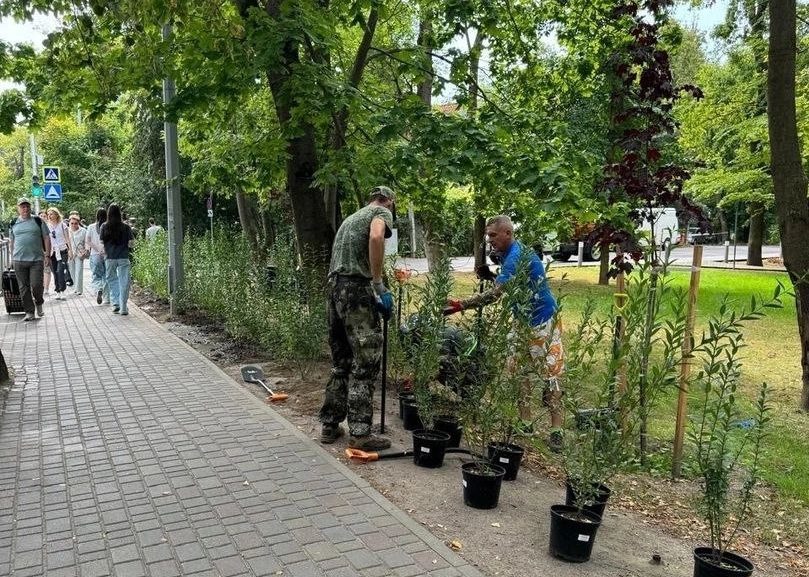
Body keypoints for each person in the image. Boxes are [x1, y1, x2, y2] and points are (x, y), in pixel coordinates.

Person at [445, 215, 565, 452]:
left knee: (552, 375)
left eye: (492, 235)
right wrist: (491, 276)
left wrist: (460, 305)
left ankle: (557, 431)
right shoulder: (508, 255)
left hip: (543, 321)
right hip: (521, 320)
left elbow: (494, 296)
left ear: (508, 234)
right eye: (488, 235)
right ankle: (525, 422)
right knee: (518, 372)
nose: (489, 241)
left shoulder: (516, 258)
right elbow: (510, 285)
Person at [318, 185, 396, 451]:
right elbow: (376, 237)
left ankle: (330, 425)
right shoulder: (381, 213)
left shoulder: (352, 218)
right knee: (366, 361)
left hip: (334, 290)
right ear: (389, 202)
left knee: (341, 362)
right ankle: (361, 434)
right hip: (356, 290)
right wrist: (378, 285)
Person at [9, 198, 52, 321]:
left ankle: (39, 302)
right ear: (18, 208)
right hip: (19, 260)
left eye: (27, 206)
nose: (25, 209)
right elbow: (12, 241)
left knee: (36, 285)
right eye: (22, 207)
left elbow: (46, 238)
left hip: (36, 259)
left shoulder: (38, 221)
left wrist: (47, 255)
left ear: (30, 207)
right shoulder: (13, 223)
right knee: (23, 288)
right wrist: (12, 257)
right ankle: (29, 312)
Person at [100, 203, 134, 315]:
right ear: (119, 213)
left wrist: (105, 252)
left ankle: (116, 303)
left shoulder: (104, 226)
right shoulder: (126, 227)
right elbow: (131, 244)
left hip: (110, 257)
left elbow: (101, 243)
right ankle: (123, 306)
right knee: (124, 281)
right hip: (123, 256)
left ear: (108, 213)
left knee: (112, 279)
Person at [46, 207, 74, 300]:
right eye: (48, 214)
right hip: (52, 251)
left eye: (51, 214)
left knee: (60, 270)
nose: (49, 216)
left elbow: (67, 238)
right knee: (55, 271)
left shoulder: (63, 225)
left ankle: (62, 290)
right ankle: (57, 290)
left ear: (56, 215)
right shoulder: (47, 226)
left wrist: (70, 250)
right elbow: (47, 240)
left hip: (62, 250)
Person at [86, 208, 109, 305]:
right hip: (107, 254)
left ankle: (99, 288)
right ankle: (107, 298)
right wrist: (103, 249)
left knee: (96, 275)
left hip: (95, 255)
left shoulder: (91, 227)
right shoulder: (108, 226)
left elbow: (88, 241)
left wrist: (97, 249)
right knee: (107, 276)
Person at [67, 214, 88, 295]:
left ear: (78, 223)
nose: (73, 225)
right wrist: (68, 251)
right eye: (72, 223)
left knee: (79, 271)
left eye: (75, 223)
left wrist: (85, 250)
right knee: (72, 270)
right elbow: (65, 242)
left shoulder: (83, 231)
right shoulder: (67, 231)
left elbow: (86, 242)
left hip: (79, 253)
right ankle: (75, 287)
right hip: (70, 253)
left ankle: (79, 289)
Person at [38, 210, 52, 295]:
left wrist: (48, 252)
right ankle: (42, 286)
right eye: (41, 216)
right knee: (39, 271)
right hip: (37, 252)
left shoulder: (50, 227)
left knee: (47, 270)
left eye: (44, 216)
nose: (42, 217)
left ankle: (46, 288)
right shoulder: (35, 227)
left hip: (47, 251)